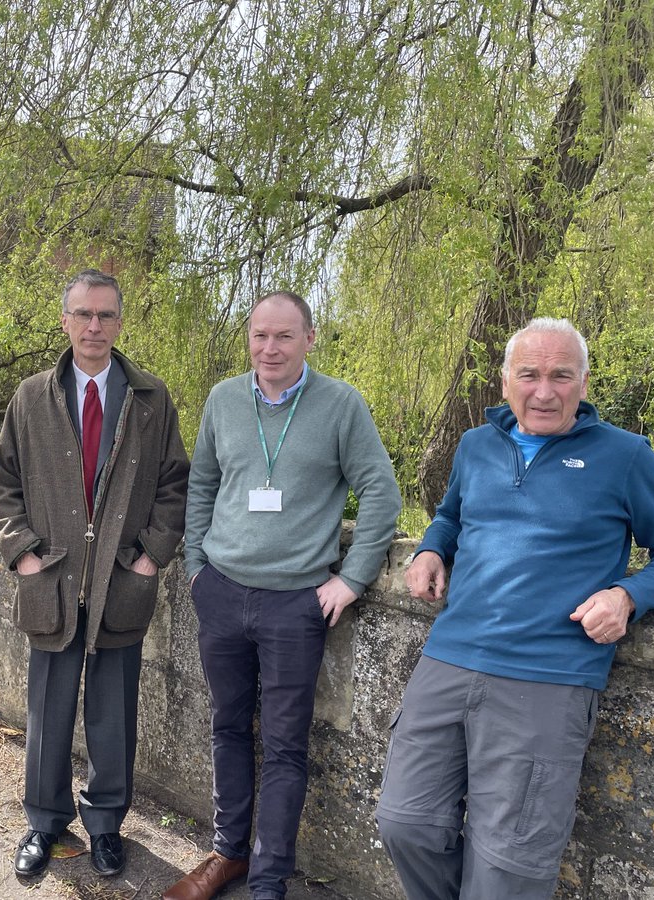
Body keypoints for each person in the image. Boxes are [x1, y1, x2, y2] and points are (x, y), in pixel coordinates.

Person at [376, 317, 654, 899]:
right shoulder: (476, 446)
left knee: (508, 865)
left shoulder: (624, 455)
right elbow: (453, 515)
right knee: (406, 822)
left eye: (561, 375)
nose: (544, 391)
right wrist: (432, 547)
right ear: (505, 382)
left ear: (583, 383)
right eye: (528, 375)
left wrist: (628, 594)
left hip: (549, 677)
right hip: (450, 658)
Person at [164, 290, 401, 900]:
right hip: (222, 591)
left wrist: (352, 579)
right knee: (227, 727)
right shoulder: (223, 399)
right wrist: (196, 566)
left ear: (309, 339)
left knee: (287, 746)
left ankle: (269, 880)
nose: (270, 348)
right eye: (260, 336)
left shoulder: (341, 405)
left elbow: (380, 491)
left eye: (284, 337)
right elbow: (203, 486)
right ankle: (227, 854)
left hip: (295, 603)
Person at [0, 268, 189, 878]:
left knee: (112, 713)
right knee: (48, 710)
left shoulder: (151, 399)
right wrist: (23, 552)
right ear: (65, 320)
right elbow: (3, 484)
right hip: (52, 579)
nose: (94, 326)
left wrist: (150, 557)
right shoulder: (31, 397)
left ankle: (105, 825)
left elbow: (176, 486)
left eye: (105, 315)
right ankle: (44, 822)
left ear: (119, 323)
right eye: (83, 314)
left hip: (120, 583)